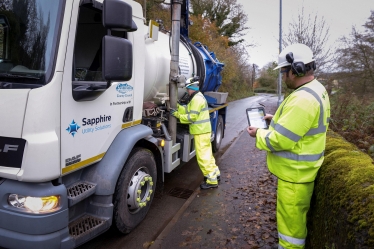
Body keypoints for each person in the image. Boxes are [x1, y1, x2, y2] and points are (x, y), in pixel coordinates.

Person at [247, 43, 331, 249]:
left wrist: (258, 133)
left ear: (296, 70)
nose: (283, 77)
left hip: (295, 177)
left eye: (284, 72)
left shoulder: (302, 99)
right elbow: (300, 125)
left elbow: (280, 140)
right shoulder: (315, 89)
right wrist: (274, 118)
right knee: (293, 226)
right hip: (301, 174)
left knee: (291, 234)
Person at [171, 77, 220, 190]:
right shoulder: (197, 97)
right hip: (203, 131)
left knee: (203, 157)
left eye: (188, 89)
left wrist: (177, 115)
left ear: (191, 88)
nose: (187, 91)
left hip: (201, 132)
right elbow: (188, 109)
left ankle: (211, 181)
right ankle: (215, 175)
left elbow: (191, 117)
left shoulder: (196, 99)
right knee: (208, 155)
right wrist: (178, 106)